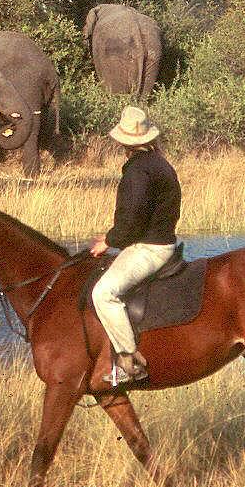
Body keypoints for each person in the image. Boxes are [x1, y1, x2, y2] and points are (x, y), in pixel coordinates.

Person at [88, 106, 182, 387]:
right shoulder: (159, 162)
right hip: (161, 241)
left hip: (150, 248)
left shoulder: (137, 171)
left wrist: (109, 241)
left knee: (104, 293)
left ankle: (130, 361)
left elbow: (131, 220)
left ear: (123, 142)